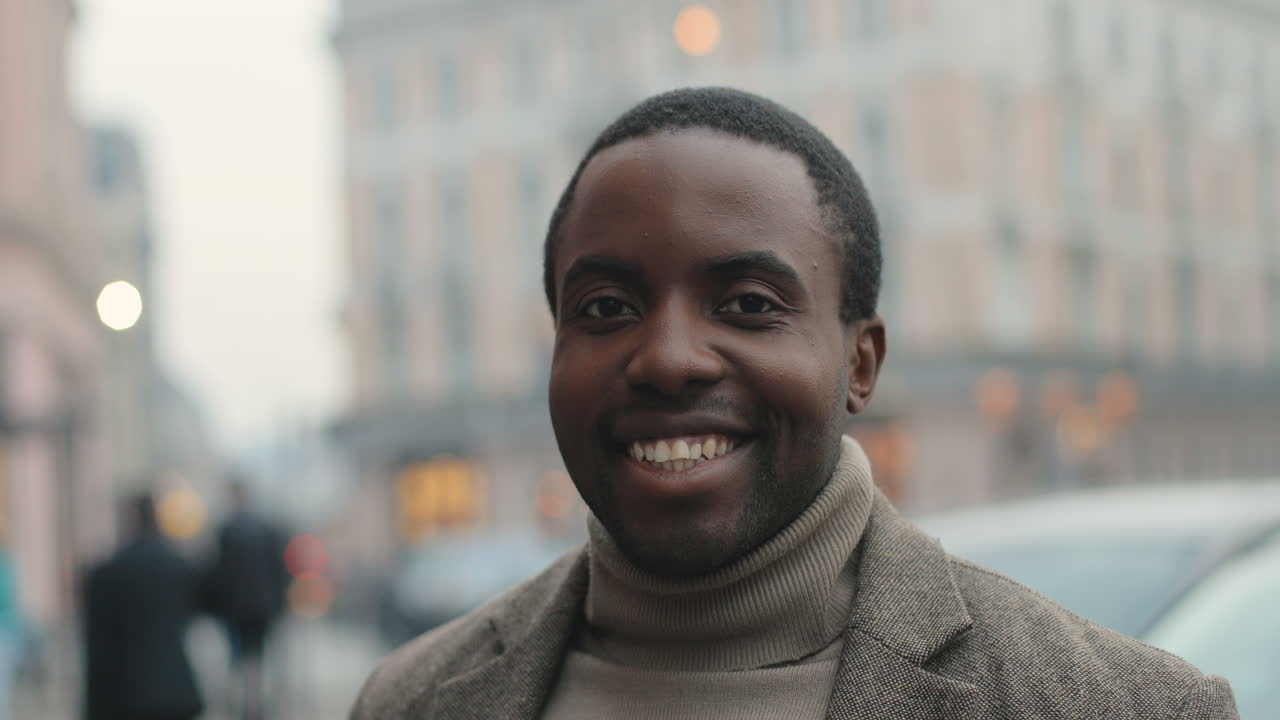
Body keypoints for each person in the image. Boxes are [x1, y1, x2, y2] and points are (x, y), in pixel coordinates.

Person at [350, 88, 1238, 719]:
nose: (667, 359)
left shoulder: (1120, 707)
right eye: (607, 309)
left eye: (747, 305)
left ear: (861, 362)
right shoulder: (413, 700)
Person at [83, 493, 203, 720]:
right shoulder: (179, 567)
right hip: (177, 690)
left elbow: (96, 646)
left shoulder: (108, 573)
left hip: (126, 695)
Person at [204, 479, 288, 720]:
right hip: (264, 607)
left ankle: (241, 703)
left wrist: (216, 607)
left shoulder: (226, 530)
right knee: (259, 656)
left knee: (238, 657)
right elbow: (279, 571)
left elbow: (219, 573)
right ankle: (256, 703)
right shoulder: (269, 528)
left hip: (235, 608)